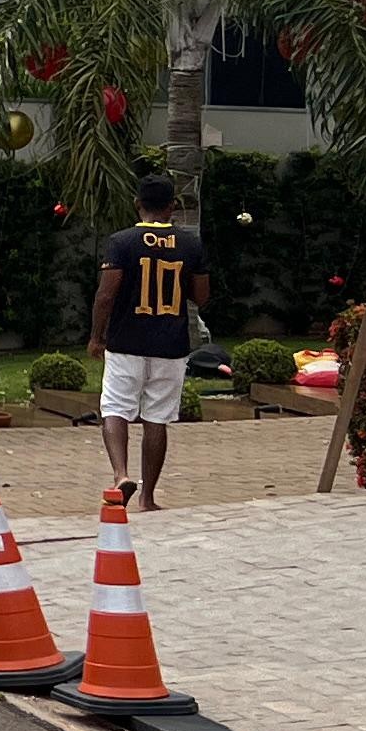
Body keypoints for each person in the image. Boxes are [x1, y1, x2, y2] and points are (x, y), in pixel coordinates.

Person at [92, 166, 207, 508]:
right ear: (172, 206)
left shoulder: (121, 242)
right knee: (157, 418)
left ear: (136, 203)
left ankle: (120, 475)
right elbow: (201, 297)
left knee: (115, 408)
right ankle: (148, 497)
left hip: (126, 340)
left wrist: (96, 336)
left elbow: (105, 296)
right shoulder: (190, 244)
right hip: (170, 345)